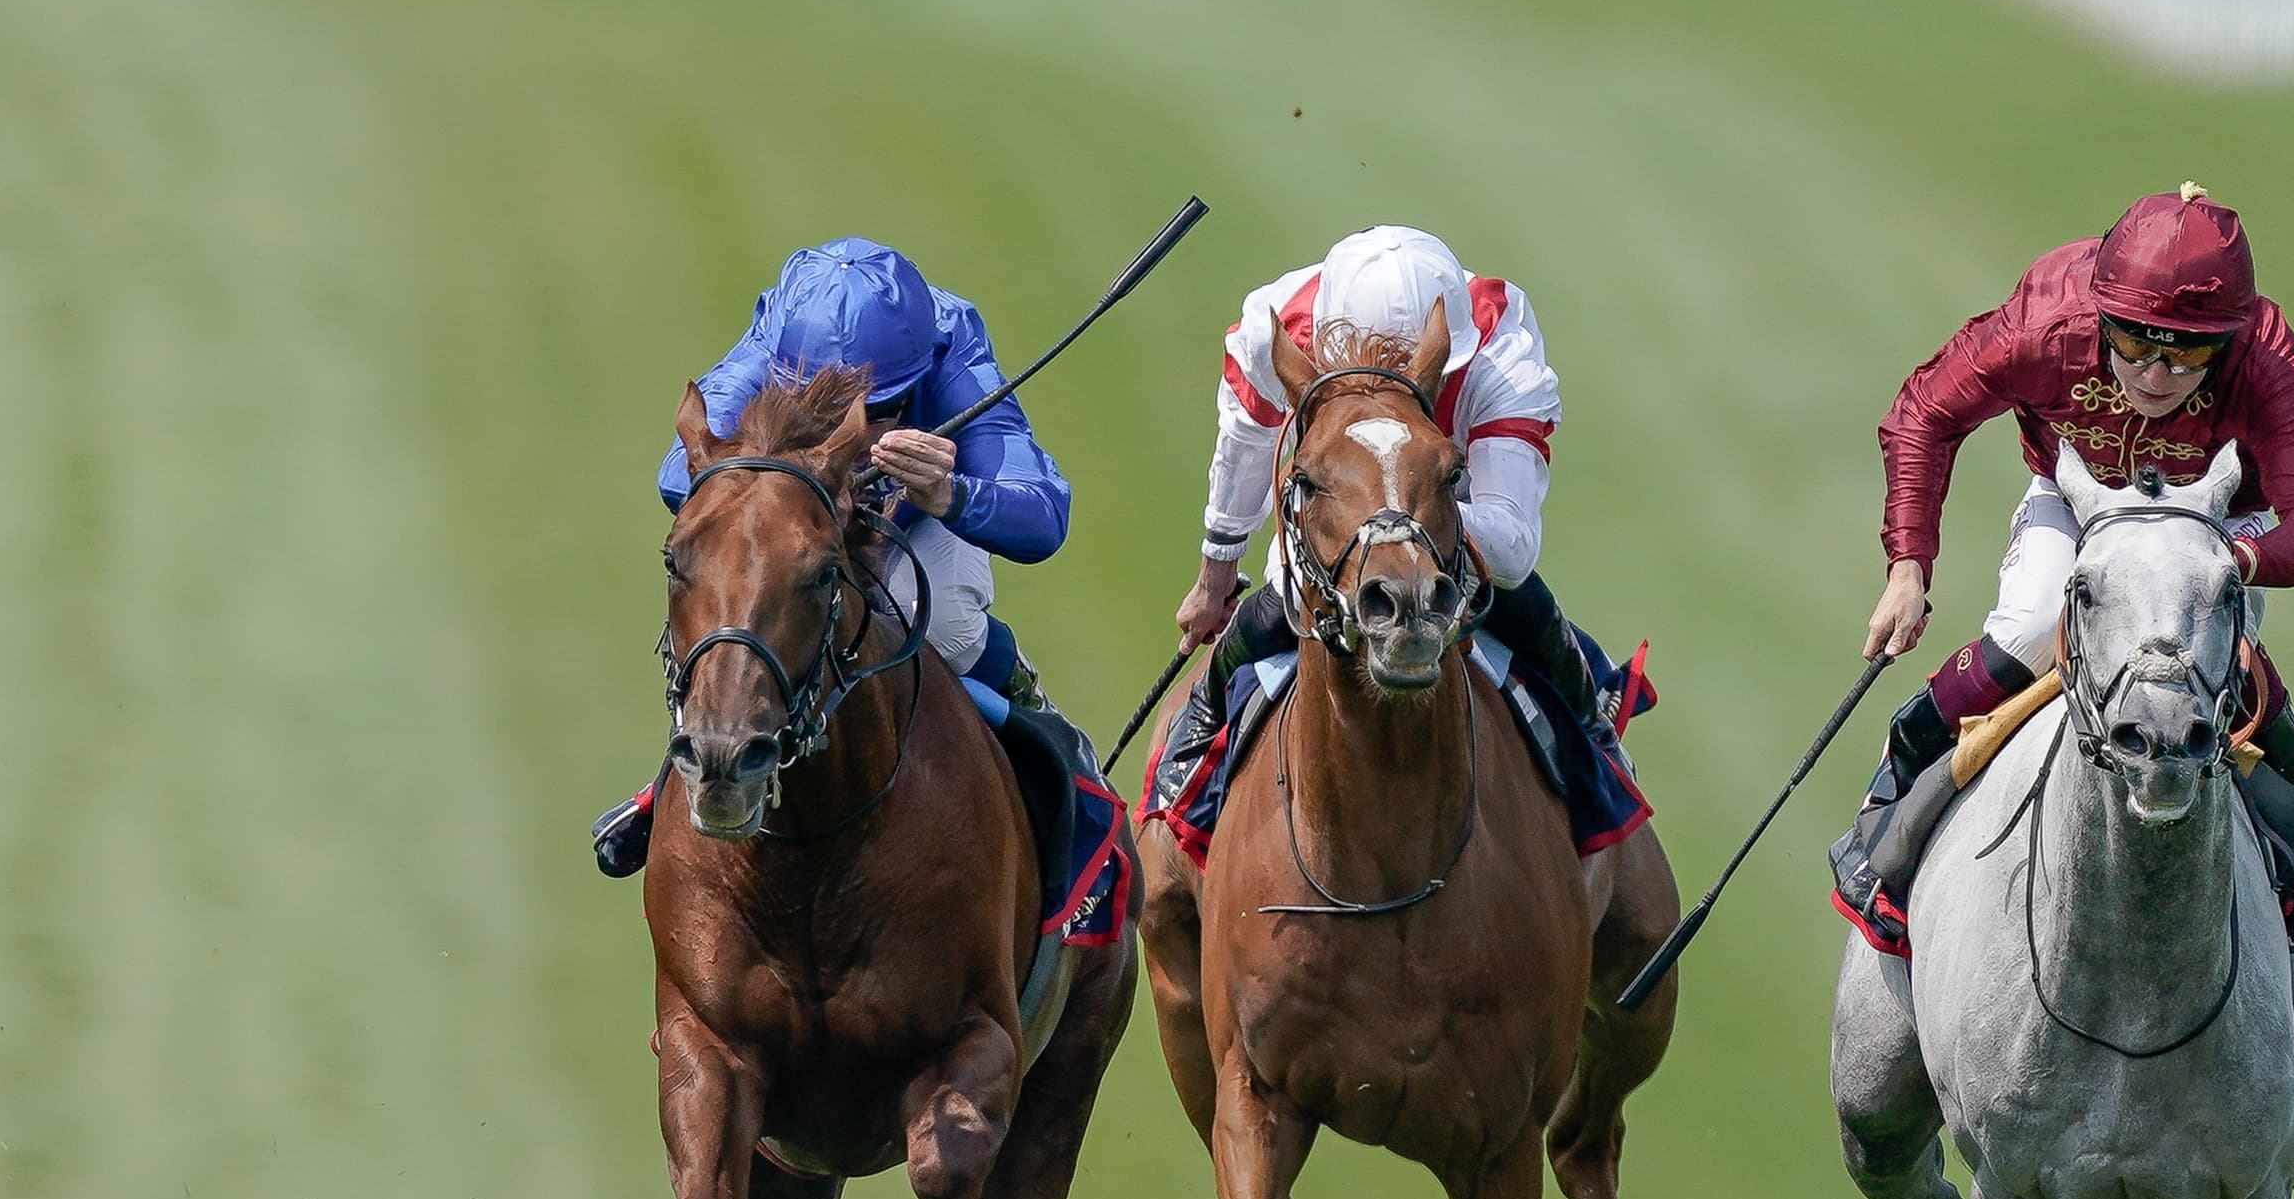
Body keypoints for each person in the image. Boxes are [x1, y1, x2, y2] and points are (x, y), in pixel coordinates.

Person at [1830, 185, 2294, 952]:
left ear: (2230, 340)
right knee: (2037, 621)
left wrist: (2229, 558)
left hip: (2211, 520)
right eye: (2133, 343)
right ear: (2098, 314)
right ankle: (1893, 788)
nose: (2155, 374)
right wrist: (1908, 566)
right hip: (2080, 499)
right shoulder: (2046, 324)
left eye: (2187, 352)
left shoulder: (2270, 363)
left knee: (2217, 660)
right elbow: (1925, 413)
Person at [595, 237, 1081, 875]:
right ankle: (676, 777)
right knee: (741, 595)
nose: (847, 432)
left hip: (915, 521)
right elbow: (675, 472)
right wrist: (796, 488)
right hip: (800, 521)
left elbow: (1043, 514)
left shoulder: (951, 340)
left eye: (875, 412)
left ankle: (1037, 728)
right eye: (812, 407)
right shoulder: (776, 338)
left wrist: (949, 492)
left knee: (937, 622)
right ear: (785, 371)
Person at [1153, 224, 1620, 785]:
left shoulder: (1502, 353)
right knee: (1279, 607)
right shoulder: (1277, 326)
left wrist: (1393, 516)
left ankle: (1594, 739)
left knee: (1522, 600)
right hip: (1338, 517)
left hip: (1444, 512)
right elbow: (1248, 437)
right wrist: (1215, 575)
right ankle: (1201, 724)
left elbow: (1513, 546)